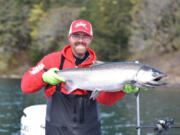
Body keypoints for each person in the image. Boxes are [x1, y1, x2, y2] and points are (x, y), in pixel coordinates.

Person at [21, 19, 147, 135]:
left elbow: (105, 100)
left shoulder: (99, 67)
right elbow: (25, 86)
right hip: (57, 131)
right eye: (76, 36)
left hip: (90, 130)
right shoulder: (52, 60)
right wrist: (43, 77)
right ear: (69, 37)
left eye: (85, 36)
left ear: (91, 39)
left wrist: (122, 89)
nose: (80, 40)